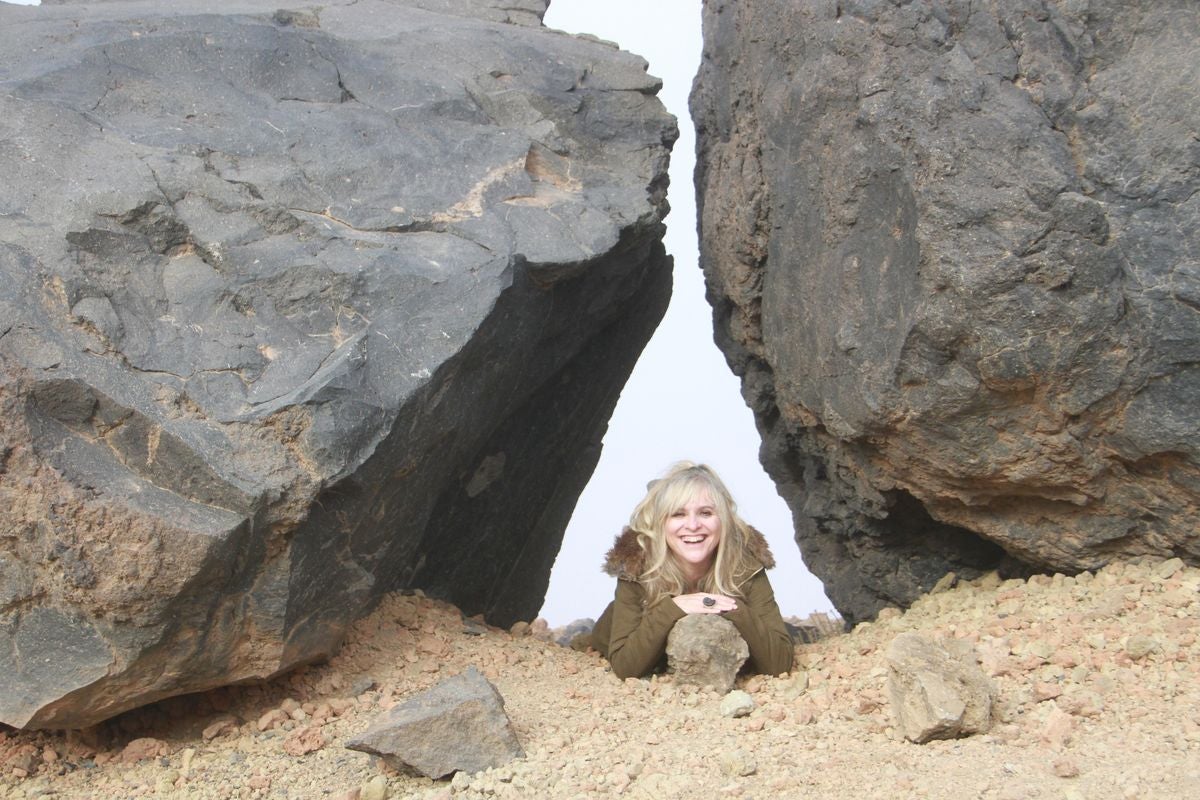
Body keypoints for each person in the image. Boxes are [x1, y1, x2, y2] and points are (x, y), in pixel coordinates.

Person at [589, 462, 794, 680]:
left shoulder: (746, 566)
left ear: (722, 520)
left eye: (705, 513)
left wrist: (730, 607)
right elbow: (625, 667)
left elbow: (779, 663)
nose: (693, 525)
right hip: (615, 638)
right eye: (678, 514)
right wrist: (673, 608)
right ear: (661, 524)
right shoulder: (637, 568)